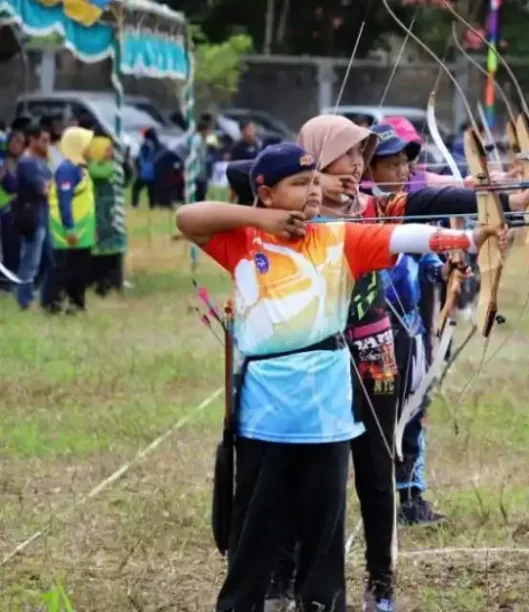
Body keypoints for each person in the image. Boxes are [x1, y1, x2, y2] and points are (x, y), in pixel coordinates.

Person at [175, 142, 502, 612]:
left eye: (314, 182)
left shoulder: (341, 237)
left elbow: (406, 238)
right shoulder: (243, 241)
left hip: (326, 414)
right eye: (298, 184)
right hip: (266, 412)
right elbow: (188, 216)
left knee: (323, 533)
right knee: (254, 531)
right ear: (265, 193)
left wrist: (472, 240)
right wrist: (262, 221)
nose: (311, 193)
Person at [261, 115, 529, 612]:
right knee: (295, 469)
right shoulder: (283, 216)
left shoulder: (375, 206)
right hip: (306, 357)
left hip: (374, 352)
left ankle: (381, 585)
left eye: (359, 156)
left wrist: (509, 202)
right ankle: (282, 581)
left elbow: (431, 202)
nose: (356, 166)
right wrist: (285, 203)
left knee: (376, 468)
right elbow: (239, 183)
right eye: (346, 156)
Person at [368, 123, 448, 526]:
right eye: (392, 163)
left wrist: (451, 263)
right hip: (369, 335)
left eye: (405, 163)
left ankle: (411, 497)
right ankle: (379, 498)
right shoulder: (357, 213)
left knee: (413, 413)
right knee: (377, 419)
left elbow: (430, 253)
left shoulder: (410, 209)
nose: (403, 171)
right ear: (367, 170)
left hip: (409, 331)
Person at [43, 127, 96, 314]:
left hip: (83, 234)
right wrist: (70, 228)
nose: (90, 147)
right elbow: (65, 201)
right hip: (68, 234)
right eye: (87, 144)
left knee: (79, 272)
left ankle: (76, 305)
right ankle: (52, 306)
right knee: (63, 271)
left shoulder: (81, 168)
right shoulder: (67, 169)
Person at [11, 123, 53, 310]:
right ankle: (24, 299)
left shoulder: (42, 161)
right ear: (32, 140)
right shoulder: (27, 162)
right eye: (43, 140)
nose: (47, 144)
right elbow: (45, 190)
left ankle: (46, 295)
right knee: (31, 260)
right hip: (33, 217)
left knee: (50, 259)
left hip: (45, 216)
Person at [86, 131, 124, 296]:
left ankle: (110, 284)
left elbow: (97, 172)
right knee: (101, 251)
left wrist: (89, 160)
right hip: (102, 214)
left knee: (111, 251)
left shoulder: (111, 167)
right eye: (106, 149)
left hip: (111, 214)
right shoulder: (105, 165)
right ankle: (100, 283)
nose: (110, 152)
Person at [0, 123, 25, 290]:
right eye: (14, 142)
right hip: (6, 210)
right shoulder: (4, 162)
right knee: (9, 248)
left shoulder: (25, 162)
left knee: (18, 248)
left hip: (20, 211)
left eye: (20, 142)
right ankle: (8, 282)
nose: (17, 146)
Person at [133, 128, 161, 209]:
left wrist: (139, 166)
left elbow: (142, 157)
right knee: (152, 191)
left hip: (146, 170)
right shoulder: (158, 144)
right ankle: (153, 206)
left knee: (136, 188)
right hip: (155, 170)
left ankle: (135, 205)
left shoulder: (147, 144)